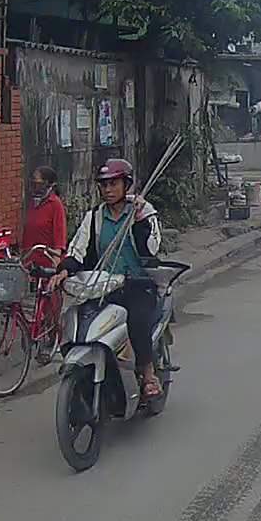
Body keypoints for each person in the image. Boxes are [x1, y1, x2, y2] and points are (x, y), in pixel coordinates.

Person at [48, 159, 164, 398]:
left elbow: (151, 249)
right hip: (103, 286)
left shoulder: (144, 211)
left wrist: (140, 220)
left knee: (137, 321)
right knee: (79, 320)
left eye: (114, 184)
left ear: (126, 185)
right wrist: (64, 270)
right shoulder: (94, 217)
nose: (108, 190)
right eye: (104, 185)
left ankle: (148, 374)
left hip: (137, 285)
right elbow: (78, 250)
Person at [22, 166, 67, 256]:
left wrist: (57, 254)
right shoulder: (32, 203)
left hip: (47, 258)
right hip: (29, 257)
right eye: (33, 183)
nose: (35, 187)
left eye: (38, 184)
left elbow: (60, 233)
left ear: (47, 184)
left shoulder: (55, 204)